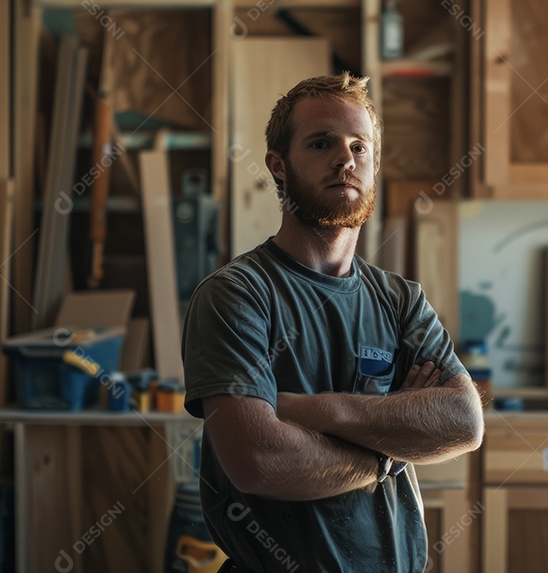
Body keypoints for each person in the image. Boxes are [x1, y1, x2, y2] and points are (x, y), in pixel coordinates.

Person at [182, 72, 484, 572]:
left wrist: (314, 412)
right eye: (322, 143)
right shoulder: (237, 295)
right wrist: (389, 451)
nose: (345, 159)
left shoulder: (401, 300)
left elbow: (463, 421)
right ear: (278, 166)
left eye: (359, 147)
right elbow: (260, 461)